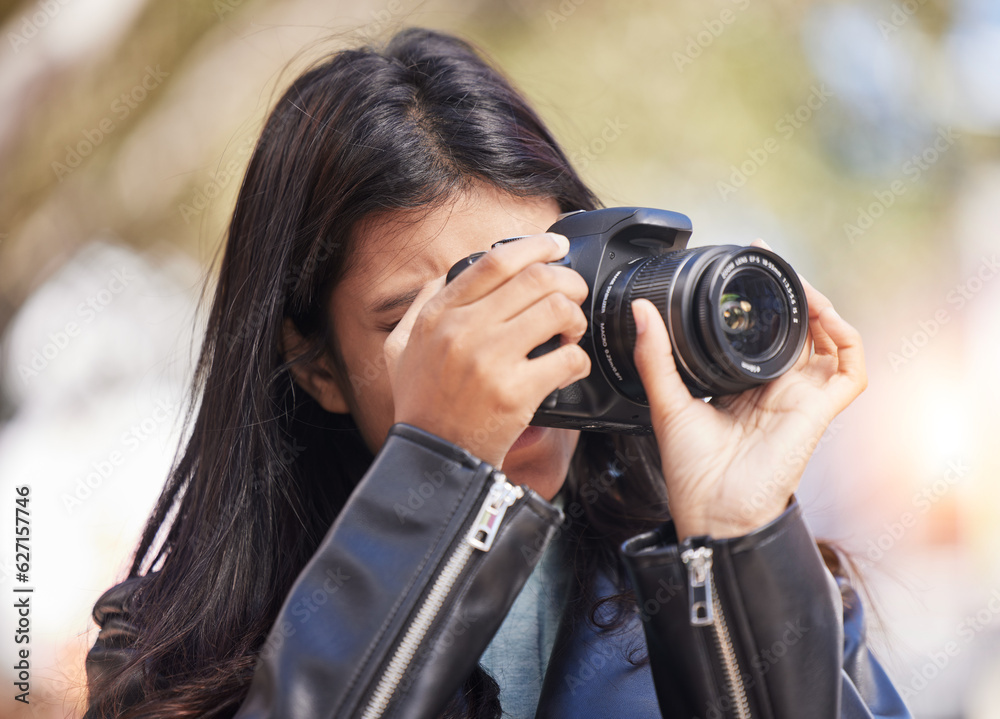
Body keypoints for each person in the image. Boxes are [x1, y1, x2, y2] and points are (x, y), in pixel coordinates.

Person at [82, 27, 910, 719]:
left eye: (540, 290)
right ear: (316, 367)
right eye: (428, 319)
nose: (505, 356)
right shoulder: (163, 658)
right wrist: (438, 484)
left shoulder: (768, 588)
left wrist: (735, 553)